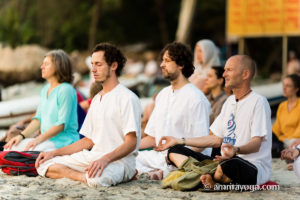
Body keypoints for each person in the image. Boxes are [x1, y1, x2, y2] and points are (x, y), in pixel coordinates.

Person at [156, 55, 272, 188]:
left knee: (229, 165)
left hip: (250, 165)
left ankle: (206, 176)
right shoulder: (229, 102)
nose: (224, 74)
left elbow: (256, 144)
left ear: (245, 74)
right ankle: (211, 176)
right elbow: (215, 139)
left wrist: (236, 149)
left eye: (229, 70)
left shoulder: (258, 102)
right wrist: (179, 141)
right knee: (174, 150)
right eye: (224, 70)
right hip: (219, 163)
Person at [35, 43, 142, 187]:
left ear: (114, 66)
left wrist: (105, 159)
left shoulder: (127, 98)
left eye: (98, 64)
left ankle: (96, 176)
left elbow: (131, 143)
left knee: (96, 180)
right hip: (93, 156)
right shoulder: (97, 99)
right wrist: (54, 153)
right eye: (92, 64)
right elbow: (88, 141)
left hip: (119, 161)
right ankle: (82, 177)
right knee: (44, 164)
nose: (93, 69)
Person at [136, 42, 211, 180]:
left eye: (167, 61)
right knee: (127, 159)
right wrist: (129, 147)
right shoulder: (163, 95)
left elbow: (202, 144)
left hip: (184, 157)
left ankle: (161, 172)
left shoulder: (196, 98)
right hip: (158, 157)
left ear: (180, 65)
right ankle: (157, 172)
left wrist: (173, 156)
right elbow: (152, 138)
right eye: (162, 61)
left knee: (172, 162)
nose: (161, 65)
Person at [4, 50, 79, 152]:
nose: (41, 67)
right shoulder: (45, 89)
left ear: (58, 66)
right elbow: (38, 119)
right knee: (10, 149)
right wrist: (21, 136)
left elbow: (61, 124)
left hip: (64, 142)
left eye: (46, 64)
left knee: (26, 152)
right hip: (45, 140)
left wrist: (38, 140)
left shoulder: (65, 90)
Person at [272, 74, 300, 156]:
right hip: (283, 140)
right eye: (283, 85)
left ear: (296, 89)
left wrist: (289, 139)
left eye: (288, 86)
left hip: (296, 140)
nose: (284, 88)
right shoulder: (282, 105)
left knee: (294, 145)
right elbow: (277, 128)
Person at [205, 66, 228, 158]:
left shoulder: (225, 101)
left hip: (215, 144)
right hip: (203, 139)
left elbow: (216, 131)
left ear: (220, 80)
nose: (206, 79)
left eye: (210, 76)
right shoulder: (205, 99)